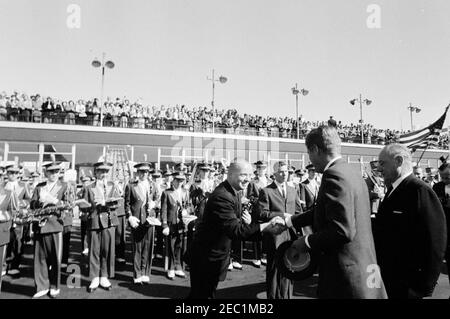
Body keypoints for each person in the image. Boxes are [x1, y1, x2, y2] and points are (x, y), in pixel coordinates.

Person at [285, 125, 387, 299]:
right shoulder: (351, 172)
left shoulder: (333, 175)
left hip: (346, 277)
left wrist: (307, 241)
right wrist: (290, 221)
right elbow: (326, 210)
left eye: (309, 153)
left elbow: (342, 231)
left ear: (315, 149)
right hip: (365, 269)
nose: (310, 158)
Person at [188, 159, 284, 299]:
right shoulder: (223, 196)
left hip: (215, 257)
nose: (248, 179)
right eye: (243, 175)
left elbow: (238, 228)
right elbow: (236, 231)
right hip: (206, 259)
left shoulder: (235, 192)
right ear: (230, 175)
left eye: (250, 175)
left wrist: (252, 225)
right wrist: (266, 227)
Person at [374, 144, 447, 299]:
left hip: (408, 284)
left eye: (382, 163)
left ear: (399, 161)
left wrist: (423, 287)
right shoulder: (394, 190)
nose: (379, 169)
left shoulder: (419, 191)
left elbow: (435, 241)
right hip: (391, 279)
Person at [257, 161, 304, 299]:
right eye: (281, 172)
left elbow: (298, 211)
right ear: (275, 174)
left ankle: (287, 296)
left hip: (290, 237)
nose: (285, 174)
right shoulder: (266, 191)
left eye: (287, 171)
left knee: (289, 270)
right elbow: (261, 214)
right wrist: (280, 215)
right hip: (275, 237)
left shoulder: (292, 190)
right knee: (274, 271)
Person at [29, 161, 68, 298]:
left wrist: (54, 200)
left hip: (55, 224)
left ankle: (54, 286)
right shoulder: (39, 187)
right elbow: (32, 204)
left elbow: (69, 204)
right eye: (51, 172)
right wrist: (40, 201)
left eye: (56, 172)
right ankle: (41, 286)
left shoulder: (64, 186)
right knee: (39, 258)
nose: (54, 174)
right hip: (40, 225)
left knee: (55, 258)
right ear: (46, 173)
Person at [83, 161, 121, 293]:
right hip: (94, 221)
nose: (103, 174)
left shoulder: (112, 186)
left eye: (105, 172)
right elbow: (84, 205)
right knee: (94, 250)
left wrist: (105, 202)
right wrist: (89, 206)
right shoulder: (88, 187)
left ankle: (104, 276)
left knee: (107, 250)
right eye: (101, 172)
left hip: (109, 221)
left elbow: (117, 202)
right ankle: (94, 278)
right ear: (95, 173)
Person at [125, 162, 157, 284]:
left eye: (146, 172)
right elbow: (126, 203)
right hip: (136, 219)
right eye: (141, 172)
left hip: (149, 219)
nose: (144, 174)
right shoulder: (131, 186)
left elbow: (157, 200)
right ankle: (137, 273)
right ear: (137, 173)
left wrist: (155, 205)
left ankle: (145, 272)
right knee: (137, 247)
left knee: (148, 246)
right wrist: (130, 217)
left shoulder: (152, 185)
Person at [160, 171, 192, 279]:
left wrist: (186, 211)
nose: (179, 182)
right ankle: (171, 268)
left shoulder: (185, 192)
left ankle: (178, 267)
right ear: (173, 180)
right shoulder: (166, 193)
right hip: (171, 223)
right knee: (171, 246)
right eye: (177, 180)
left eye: (181, 180)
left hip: (182, 223)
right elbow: (163, 210)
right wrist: (164, 225)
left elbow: (189, 206)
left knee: (180, 245)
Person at [4, 164, 31, 276]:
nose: (13, 175)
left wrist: (20, 204)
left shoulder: (23, 185)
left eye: (15, 173)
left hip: (19, 217)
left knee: (18, 242)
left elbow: (29, 199)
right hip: (5, 217)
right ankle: (4, 265)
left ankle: (15, 265)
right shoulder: (2, 185)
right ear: (7, 174)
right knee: (5, 241)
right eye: (11, 173)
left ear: (18, 174)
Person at [432, 159, 450, 295]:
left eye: (448, 177)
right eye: (443, 177)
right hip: (443, 228)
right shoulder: (437, 187)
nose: (445, 179)